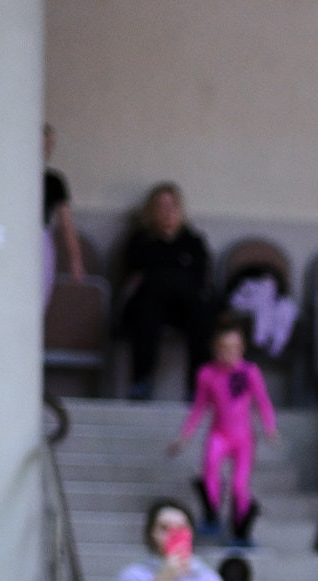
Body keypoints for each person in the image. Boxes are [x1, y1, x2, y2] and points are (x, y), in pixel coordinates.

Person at [168, 317, 278, 544]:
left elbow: (263, 402)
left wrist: (270, 427)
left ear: (242, 348)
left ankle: (241, 529)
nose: (229, 353)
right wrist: (184, 436)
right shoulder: (207, 374)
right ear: (215, 349)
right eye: (224, 348)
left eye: (234, 348)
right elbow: (198, 408)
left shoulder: (250, 372)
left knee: (240, 486)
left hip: (243, 439)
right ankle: (212, 515)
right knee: (210, 467)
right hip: (219, 434)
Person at [117, 183, 215, 400]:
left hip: (184, 306)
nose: (167, 213)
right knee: (146, 308)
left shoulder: (193, 242)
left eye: (172, 207)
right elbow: (135, 277)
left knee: (202, 312)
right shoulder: (140, 241)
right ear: (151, 212)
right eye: (161, 207)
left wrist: (166, 277)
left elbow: (200, 279)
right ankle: (141, 382)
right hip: (150, 304)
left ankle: (197, 388)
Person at [42, 124, 85, 310]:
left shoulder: (53, 181)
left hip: (40, 237)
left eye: (48, 146)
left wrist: (75, 259)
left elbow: (66, 223)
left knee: (40, 296)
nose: (45, 151)